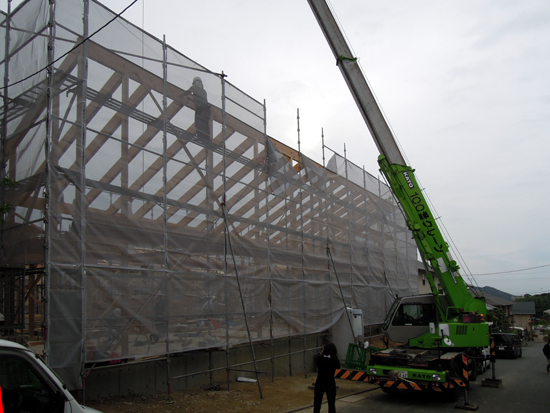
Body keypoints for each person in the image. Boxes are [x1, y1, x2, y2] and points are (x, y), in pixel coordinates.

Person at [313, 342, 340, 413]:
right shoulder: (334, 360)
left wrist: (323, 353)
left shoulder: (320, 359)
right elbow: (338, 365)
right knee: (331, 404)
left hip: (320, 383)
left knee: (317, 404)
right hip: (330, 383)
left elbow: (318, 363)